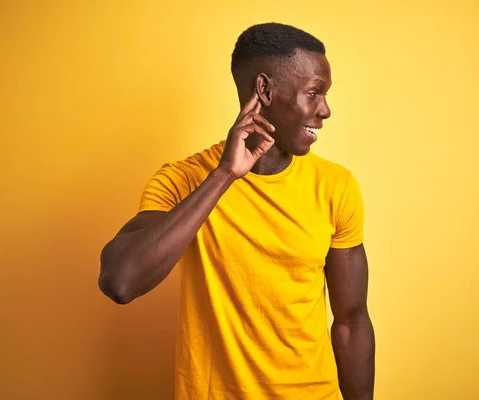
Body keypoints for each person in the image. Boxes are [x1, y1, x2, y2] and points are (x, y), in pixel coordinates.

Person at [98, 22, 375, 400]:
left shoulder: (335, 186)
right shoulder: (182, 180)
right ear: (264, 90)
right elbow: (120, 281)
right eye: (314, 93)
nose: (325, 110)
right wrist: (225, 175)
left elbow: (351, 321)